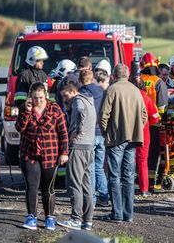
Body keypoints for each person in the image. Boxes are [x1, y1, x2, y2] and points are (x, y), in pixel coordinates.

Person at [15, 82, 69, 231]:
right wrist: (27, 111)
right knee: (32, 186)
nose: (38, 101)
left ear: (45, 94)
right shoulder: (25, 108)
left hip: (50, 154)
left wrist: (64, 152)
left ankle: (49, 217)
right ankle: (31, 216)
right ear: (30, 96)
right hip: (29, 153)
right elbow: (19, 128)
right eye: (35, 98)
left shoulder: (55, 109)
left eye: (40, 97)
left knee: (48, 188)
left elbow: (63, 133)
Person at [99, 64, 147, 223]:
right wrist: (136, 128)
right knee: (128, 177)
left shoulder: (112, 90)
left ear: (113, 75)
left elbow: (103, 116)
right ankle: (128, 214)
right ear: (127, 75)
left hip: (115, 139)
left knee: (114, 176)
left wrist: (107, 133)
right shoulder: (136, 91)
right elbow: (144, 116)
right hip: (133, 139)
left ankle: (117, 214)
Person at [57, 75, 97, 231]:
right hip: (89, 146)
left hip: (79, 146)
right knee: (86, 185)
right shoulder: (89, 99)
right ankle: (87, 220)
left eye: (66, 95)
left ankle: (75, 218)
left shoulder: (78, 101)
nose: (64, 98)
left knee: (74, 183)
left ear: (73, 90)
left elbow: (80, 112)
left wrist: (75, 130)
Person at [79, 70, 109, 207]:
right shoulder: (102, 91)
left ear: (80, 80)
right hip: (101, 133)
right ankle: (104, 196)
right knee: (99, 167)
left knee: (89, 168)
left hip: (90, 133)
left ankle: (92, 199)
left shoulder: (82, 93)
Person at [139, 52, 168, 189]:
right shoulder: (158, 82)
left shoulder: (137, 79)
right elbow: (162, 106)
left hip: (136, 121)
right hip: (153, 122)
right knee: (152, 152)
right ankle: (150, 182)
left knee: (138, 151)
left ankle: (138, 179)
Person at [130, 75, 160, 197]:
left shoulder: (128, 96)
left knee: (128, 160)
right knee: (142, 161)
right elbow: (155, 117)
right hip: (144, 132)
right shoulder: (147, 98)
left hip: (128, 132)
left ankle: (128, 187)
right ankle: (144, 189)